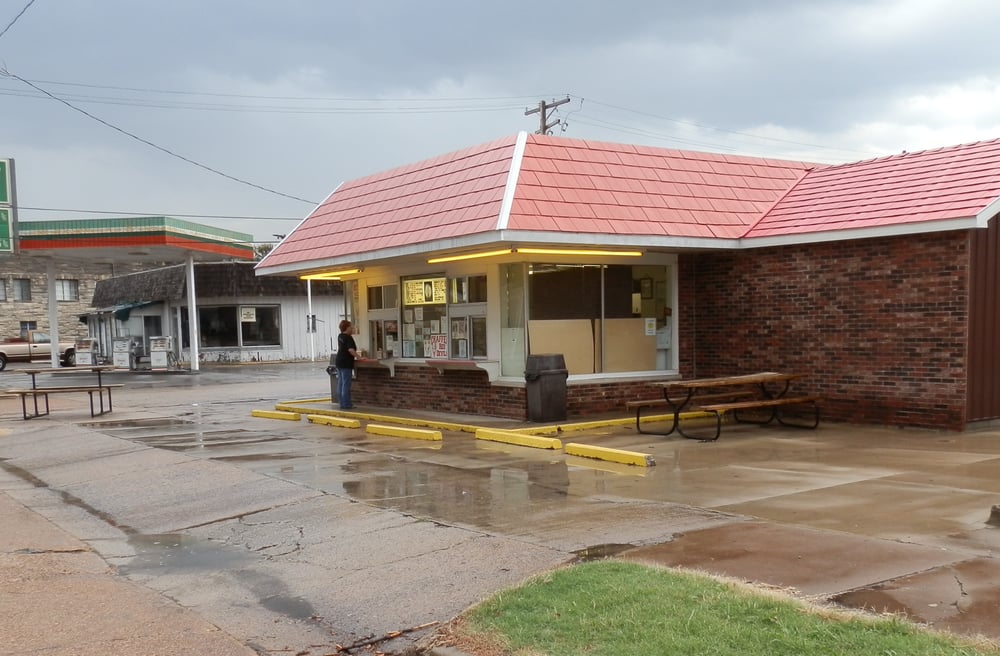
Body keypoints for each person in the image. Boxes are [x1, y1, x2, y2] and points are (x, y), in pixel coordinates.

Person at [335, 320, 359, 409]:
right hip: (346, 362)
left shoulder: (340, 336)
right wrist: (359, 357)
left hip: (339, 361)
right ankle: (347, 404)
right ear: (347, 328)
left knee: (340, 383)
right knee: (346, 383)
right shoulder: (348, 338)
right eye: (350, 327)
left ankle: (341, 403)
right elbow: (351, 350)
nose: (352, 329)